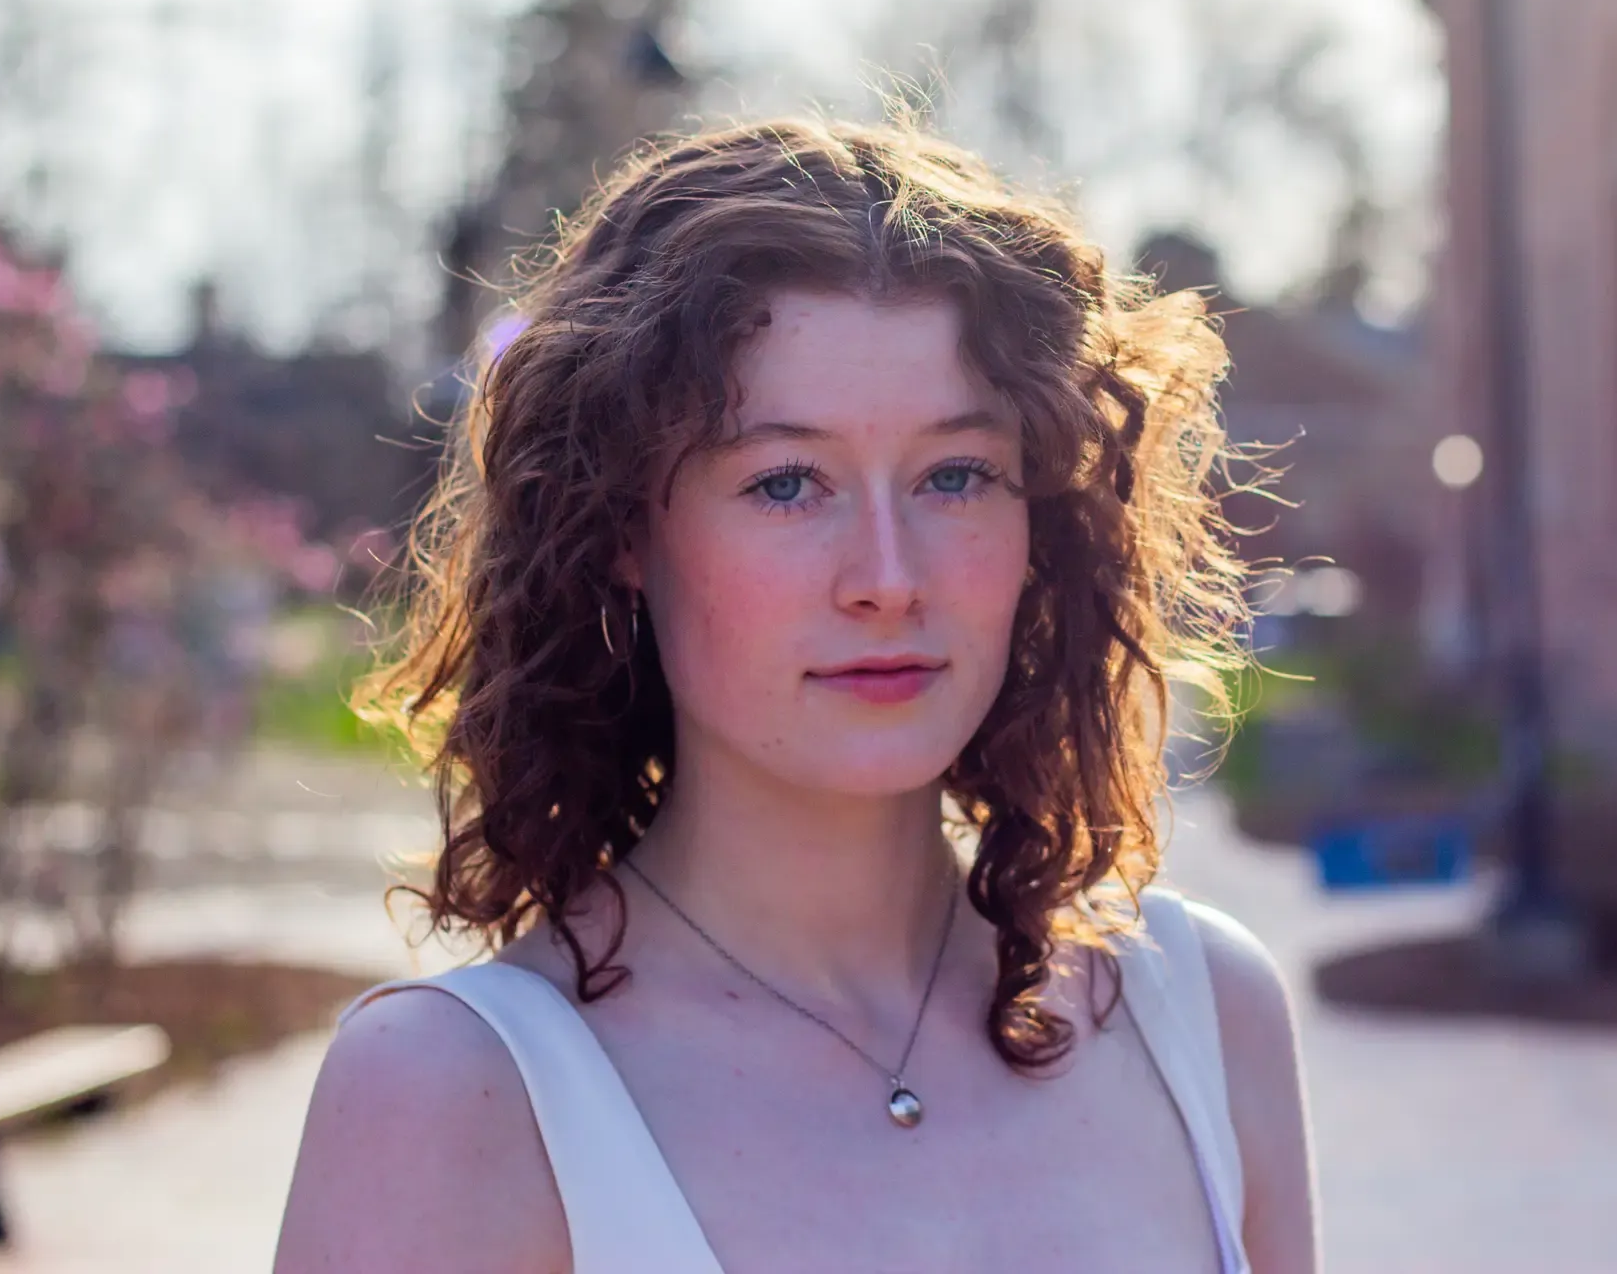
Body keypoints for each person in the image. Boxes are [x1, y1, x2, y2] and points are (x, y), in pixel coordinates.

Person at [272, 117, 1318, 1273]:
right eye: (785, 484)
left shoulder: (1204, 1018)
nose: (888, 577)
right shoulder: (449, 1101)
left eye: (955, 475)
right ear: (622, 531)